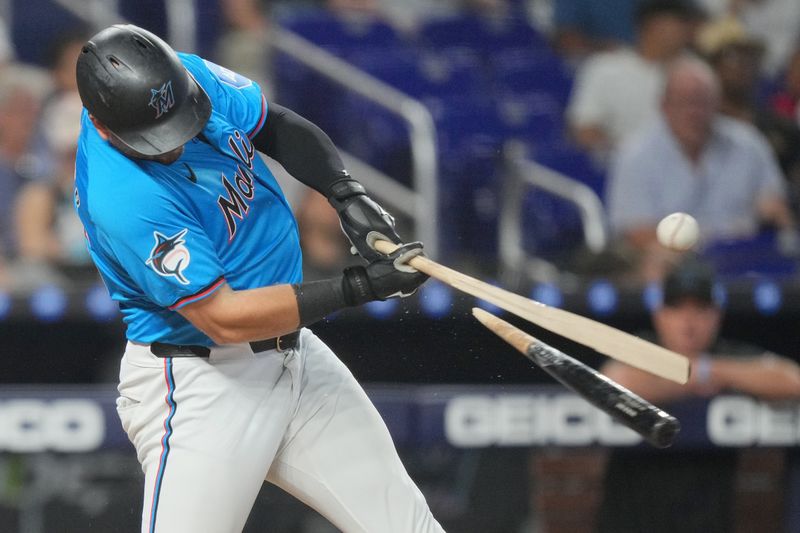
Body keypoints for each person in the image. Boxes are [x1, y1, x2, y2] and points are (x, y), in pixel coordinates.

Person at [74, 24, 443, 533]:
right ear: (100, 122)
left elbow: (276, 126)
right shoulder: (122, 197)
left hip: (295, 358)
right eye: (154, 140)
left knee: (409, 526)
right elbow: (223, 319)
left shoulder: (180, 79)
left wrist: (346, 194)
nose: (175, 145)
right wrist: (358, 288)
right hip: (204, 383)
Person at [596, 256, 800, 532]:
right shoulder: (644, 348)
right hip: (631, 520)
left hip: (706, 521)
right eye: (677, 308)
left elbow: (792, 380)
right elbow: (612, 380)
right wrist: (696, 376)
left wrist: (708, 368)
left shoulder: (724, 355)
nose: (688, 321)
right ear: (660, 314)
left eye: (700, 309)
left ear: (716, 315)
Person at [606, 57, 798, 280]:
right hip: (674, 263)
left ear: (718, 104)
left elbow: (777, 209)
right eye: (685, 102)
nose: (694, 112)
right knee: (654, 265)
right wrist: (694, 248)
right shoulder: (636, 154)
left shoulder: (748, 144)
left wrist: (773, 211)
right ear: (665, 106)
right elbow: (634, 231)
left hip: (744, 258)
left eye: (702, 102)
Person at [566, 0, 703, 164]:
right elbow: (585, 131)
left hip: (683, 170)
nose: (688, 30)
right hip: (616, 170)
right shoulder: (605, 68)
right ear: (654, 25)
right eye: (680, 21)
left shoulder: (698, 73)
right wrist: (634, 158)